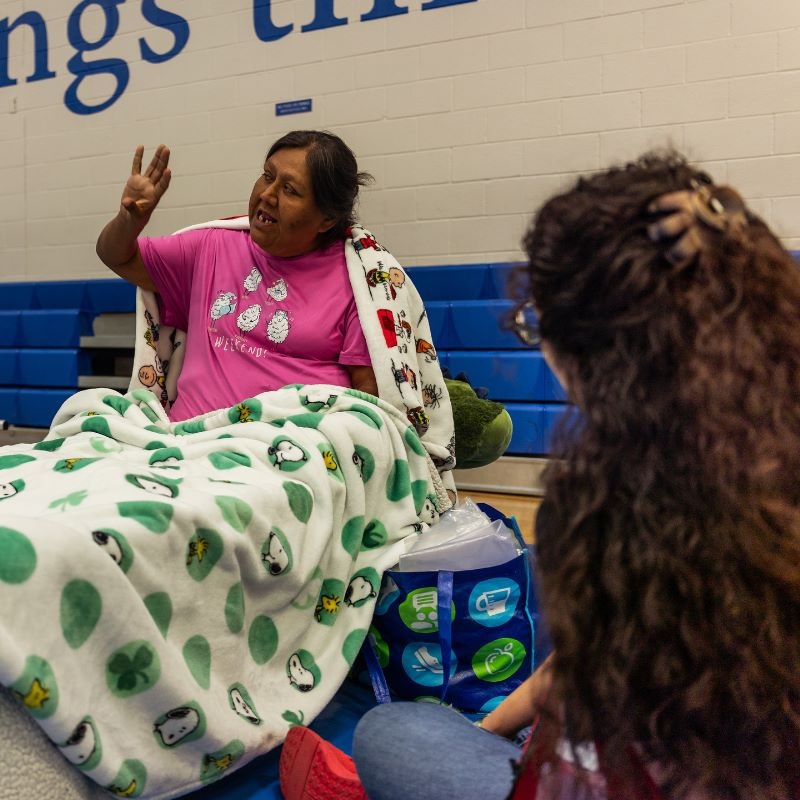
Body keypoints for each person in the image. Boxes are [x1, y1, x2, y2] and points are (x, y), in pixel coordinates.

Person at [278, 149, 800, 800]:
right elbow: (598, 647)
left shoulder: (636, 505)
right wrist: (498, 729)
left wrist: (504, 745)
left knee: (392, 732)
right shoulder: (750, 438)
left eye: (535, 324)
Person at [96, 130, 379, 421]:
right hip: (187, 442)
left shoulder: (357, 280)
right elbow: (118, 256)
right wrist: (128, 222)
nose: (268, 195)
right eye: (268, 176)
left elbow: (367, 400)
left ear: (327, 219)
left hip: (291, 449)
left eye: (289, 190)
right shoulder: (211, 247)